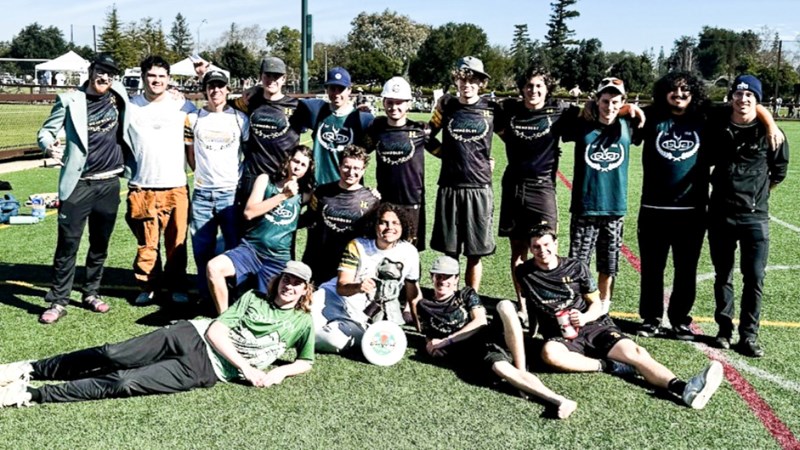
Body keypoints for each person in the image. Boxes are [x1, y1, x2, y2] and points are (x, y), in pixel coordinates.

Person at [0, 261, 315, 408]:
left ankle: (31, 394)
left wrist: (281, 372)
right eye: (286, 279)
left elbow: (306, 361)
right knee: (113, 354)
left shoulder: (302, 323)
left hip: (205, 370)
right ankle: (29, 368)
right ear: (278, 282)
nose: (289, 286)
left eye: (297, 283)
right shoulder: (253, 298)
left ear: (304, 290)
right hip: (192, 335)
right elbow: (218, 330)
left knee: (124, 381)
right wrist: (247, 368)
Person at [633, 72, 783, 340]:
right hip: (654, 209)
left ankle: (679, 320)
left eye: (685, 90)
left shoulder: (705, 116)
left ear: (694, 93)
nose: (679, 95)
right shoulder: (653, 115)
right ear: (664, 92)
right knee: (653, 269)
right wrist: (624, 107)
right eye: (674, 90)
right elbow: (622, 110)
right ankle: (651, 318)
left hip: (692, 210)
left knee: (686, 270)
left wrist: (770, 125)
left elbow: (746, 101)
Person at [516, 226, 724, 410]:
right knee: (550, 353)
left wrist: (585, 317)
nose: (543, 251)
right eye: (536, 247)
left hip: (593, 325)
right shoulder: (524, 273)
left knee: (636, 352)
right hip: (561, 335)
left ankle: (685, 388)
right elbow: (534, 306)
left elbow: (596, 303)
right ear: (530, 249)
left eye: (546, 244)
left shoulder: (575, 267)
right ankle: (610, 366)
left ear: (555, 243)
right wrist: (531, 335)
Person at [414, 255, 577, 419]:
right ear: (431, 277)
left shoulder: (465, 294)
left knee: (505, 305)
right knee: (501, 368)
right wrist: (431, 346)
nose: (442, 281)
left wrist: (446, 341)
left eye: (447, 277)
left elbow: (480, 321)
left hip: (492, 334)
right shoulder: (424, 305)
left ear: (456, 279)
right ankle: (560, 401)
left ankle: (521, 370)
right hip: (478, 351)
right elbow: (429, 335)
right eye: (438, 276)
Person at [35, 54, 133, 324]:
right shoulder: (69, 100)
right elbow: (46, 131)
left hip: (110, 183)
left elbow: (149, 94)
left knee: (100, 244)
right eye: (101, 72)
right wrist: (48, 144)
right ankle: (58, 300)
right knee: (68, 245)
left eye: (110, 74)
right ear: (91, 71)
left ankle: (91, 293)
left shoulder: (118, 94)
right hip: (78, 185)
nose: (105, 78)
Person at [706, 75, 789, 357]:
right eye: (738, 95)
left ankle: (749, 335)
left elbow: (778, 172)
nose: (743, 100)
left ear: (757, 100)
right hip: (720, 214)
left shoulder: (772, 136)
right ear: (731, 97)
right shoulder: (718, 123)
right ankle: (724, 330)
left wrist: (757, 196)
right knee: (723, 275)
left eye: (749, 96)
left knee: (754, 278)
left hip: (755, 218)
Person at [496, 66, 574, 322]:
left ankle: (552, 303)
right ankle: (524, 306)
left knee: (548, 246)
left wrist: (629, 108)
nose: (534, 90)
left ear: (547, 88)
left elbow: (592, 112)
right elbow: (490, 116)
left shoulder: (559, 112)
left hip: (542, 187)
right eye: (529, 85)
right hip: (514, 186)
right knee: (518, 251)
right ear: (522, 88)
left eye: (539, 86)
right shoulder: (510, 110)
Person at [559, 77, 638, 314]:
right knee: (579, 262)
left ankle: (603, 308)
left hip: (614, 208)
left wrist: (628, 110)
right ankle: (581, 306)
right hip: (586, 205)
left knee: (609, 263)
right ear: (596, 100)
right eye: (605, 101)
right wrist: (587, 109)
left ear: (623, 101)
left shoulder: (628, 124)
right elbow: (561, 112)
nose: (610, 106)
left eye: (616, 102)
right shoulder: (583, 122)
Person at [206, 146, 314, 315]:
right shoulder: (266, 181)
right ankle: (224, 317)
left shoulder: (305, 194)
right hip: (251, 250)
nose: (297, 167)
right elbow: (249, 212)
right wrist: (283, 196)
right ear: (288, 160)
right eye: (295, 161)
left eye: (303, 165)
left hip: (278, 258)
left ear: (307, 170)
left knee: (271, 309)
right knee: (214, 267)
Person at [126, 55, 197, 305]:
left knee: (177, 243)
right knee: (147, 244)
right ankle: (148, 286)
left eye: (161, 76)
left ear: (169, 79)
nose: (156, 81)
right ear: (143, 77)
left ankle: (178, 285)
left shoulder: (183, 106)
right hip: (142, 187)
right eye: (151, 76)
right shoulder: (130, 106)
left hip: (176, 186)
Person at [428, 56, 499, 292]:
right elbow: (427, 137)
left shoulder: (491, 108)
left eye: (473, 80)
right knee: (450, 252)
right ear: (456, 80)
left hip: (479, 187)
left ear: (481, 83)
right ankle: (449, 298)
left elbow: (513, 137)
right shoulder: (446, 105)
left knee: (475, 252)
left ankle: (472, 298)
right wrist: (445, 154)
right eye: (462, 79)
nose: (467, 84)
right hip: (450, 185)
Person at [312, 204, 420, 353]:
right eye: (383, 222)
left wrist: (419, 327)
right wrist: (358, 286)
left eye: (395, 223)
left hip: (361, 316)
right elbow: (341, 287)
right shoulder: (357, 245)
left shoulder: (410, 252)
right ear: (375, 225)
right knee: (305, 316)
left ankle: (309, 336)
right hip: (333, 299)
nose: (389, 227)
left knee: (333, 340)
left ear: (403, 227)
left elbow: (412, 294)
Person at [185, 69, 249, 304]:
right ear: (205, 90)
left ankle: (235, 296)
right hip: (202, 193)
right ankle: (206, 295)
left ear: (227, 89)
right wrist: (201, 175)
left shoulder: (240, 119)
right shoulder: (193, 118)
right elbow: (190, 152)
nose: (215, 90)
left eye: (220, 86)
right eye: (211, 86)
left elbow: (247, 152)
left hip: (231, 194)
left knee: (234, 249)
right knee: (202, 250)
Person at [363, 76, 438, 250]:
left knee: (410, 251)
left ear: (409, 104)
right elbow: (357, 155)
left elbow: (444, 153)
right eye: (390, 102)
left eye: (400, 102)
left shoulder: (420, 131)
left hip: (412, 201)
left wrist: (484, 159)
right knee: (383, 248)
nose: (394, 107)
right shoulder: (377, 130)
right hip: (384, 201)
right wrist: (364, 188)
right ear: (383, 102)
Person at [229, 57, 303, 217]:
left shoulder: (298, 107)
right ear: (261, 76)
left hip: (282, 178)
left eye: (276, 76)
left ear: (284, 79)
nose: (271, 80)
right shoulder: (250, 101)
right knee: (247, 227)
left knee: (280, 228)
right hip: (253, 177)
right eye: (267, 75)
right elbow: (221, 104)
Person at [301, 145, 380, 285]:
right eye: (346, 167)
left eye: (356, 168)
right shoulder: (322, 193)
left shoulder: (371, 200)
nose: (351, 172)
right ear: (339, 166)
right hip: (318, 261)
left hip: (349, 266)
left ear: (363, 170)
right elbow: (308, 219)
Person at [292, 67, 374, 185]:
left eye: (341, 89)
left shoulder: (362, 118)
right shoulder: (317, 110)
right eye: (332, 88)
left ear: (349, 90)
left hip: (348, 186)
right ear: (327, 89)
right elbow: (288, 104)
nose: (336, 94)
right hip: (319, 185)